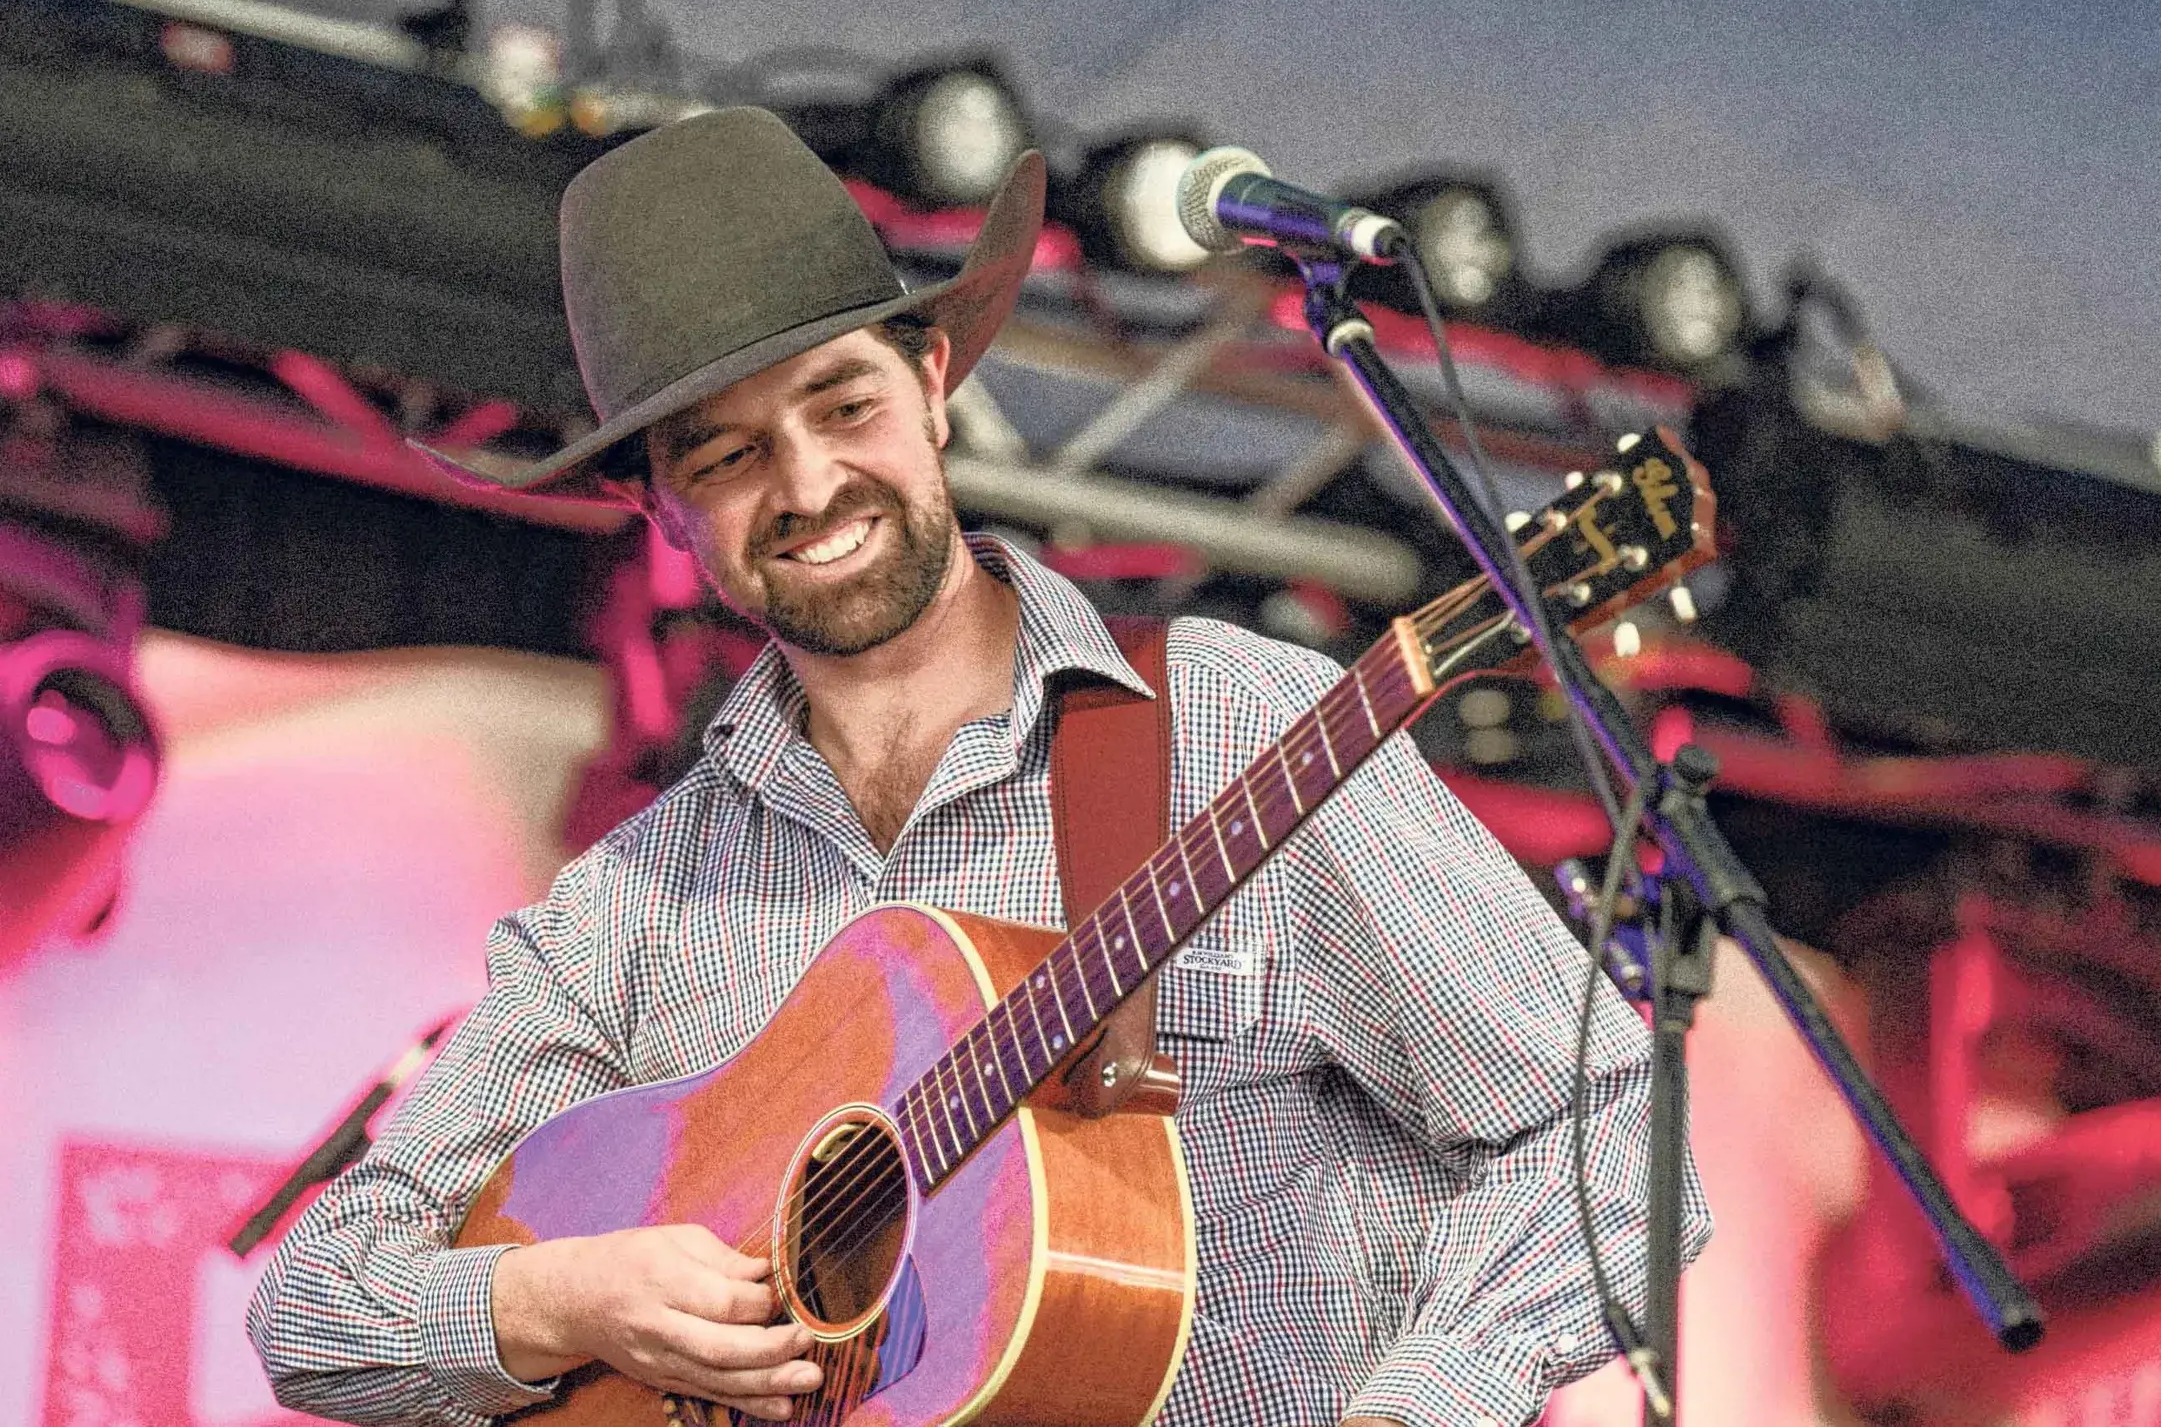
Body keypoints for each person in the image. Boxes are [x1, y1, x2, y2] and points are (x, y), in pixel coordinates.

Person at [247, 107, 1709, 1427]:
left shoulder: (1231, 723)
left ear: (933, 382)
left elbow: (1615, 1138)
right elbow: (314, 1303)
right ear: (661, 510)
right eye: (726, 457)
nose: (809, 485)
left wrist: (1423, 1403)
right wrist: (565, 1300)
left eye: (844, 406)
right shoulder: (641, 901)